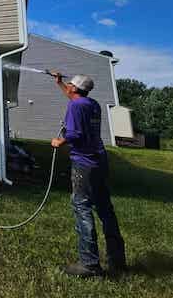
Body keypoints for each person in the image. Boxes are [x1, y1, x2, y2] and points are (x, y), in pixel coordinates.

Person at [50, 73, 126, 277]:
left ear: (75, 89)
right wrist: (58, 82)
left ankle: (89, 264)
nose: (68, 87)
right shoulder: (91, 103)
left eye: (69, 85)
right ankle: (117, 259)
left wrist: (59, 142)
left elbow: (74, 134)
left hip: (85, 164)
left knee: (82, 207)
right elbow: (73, 97)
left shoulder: (76, 106)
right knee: (105, 209)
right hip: (99, 161)